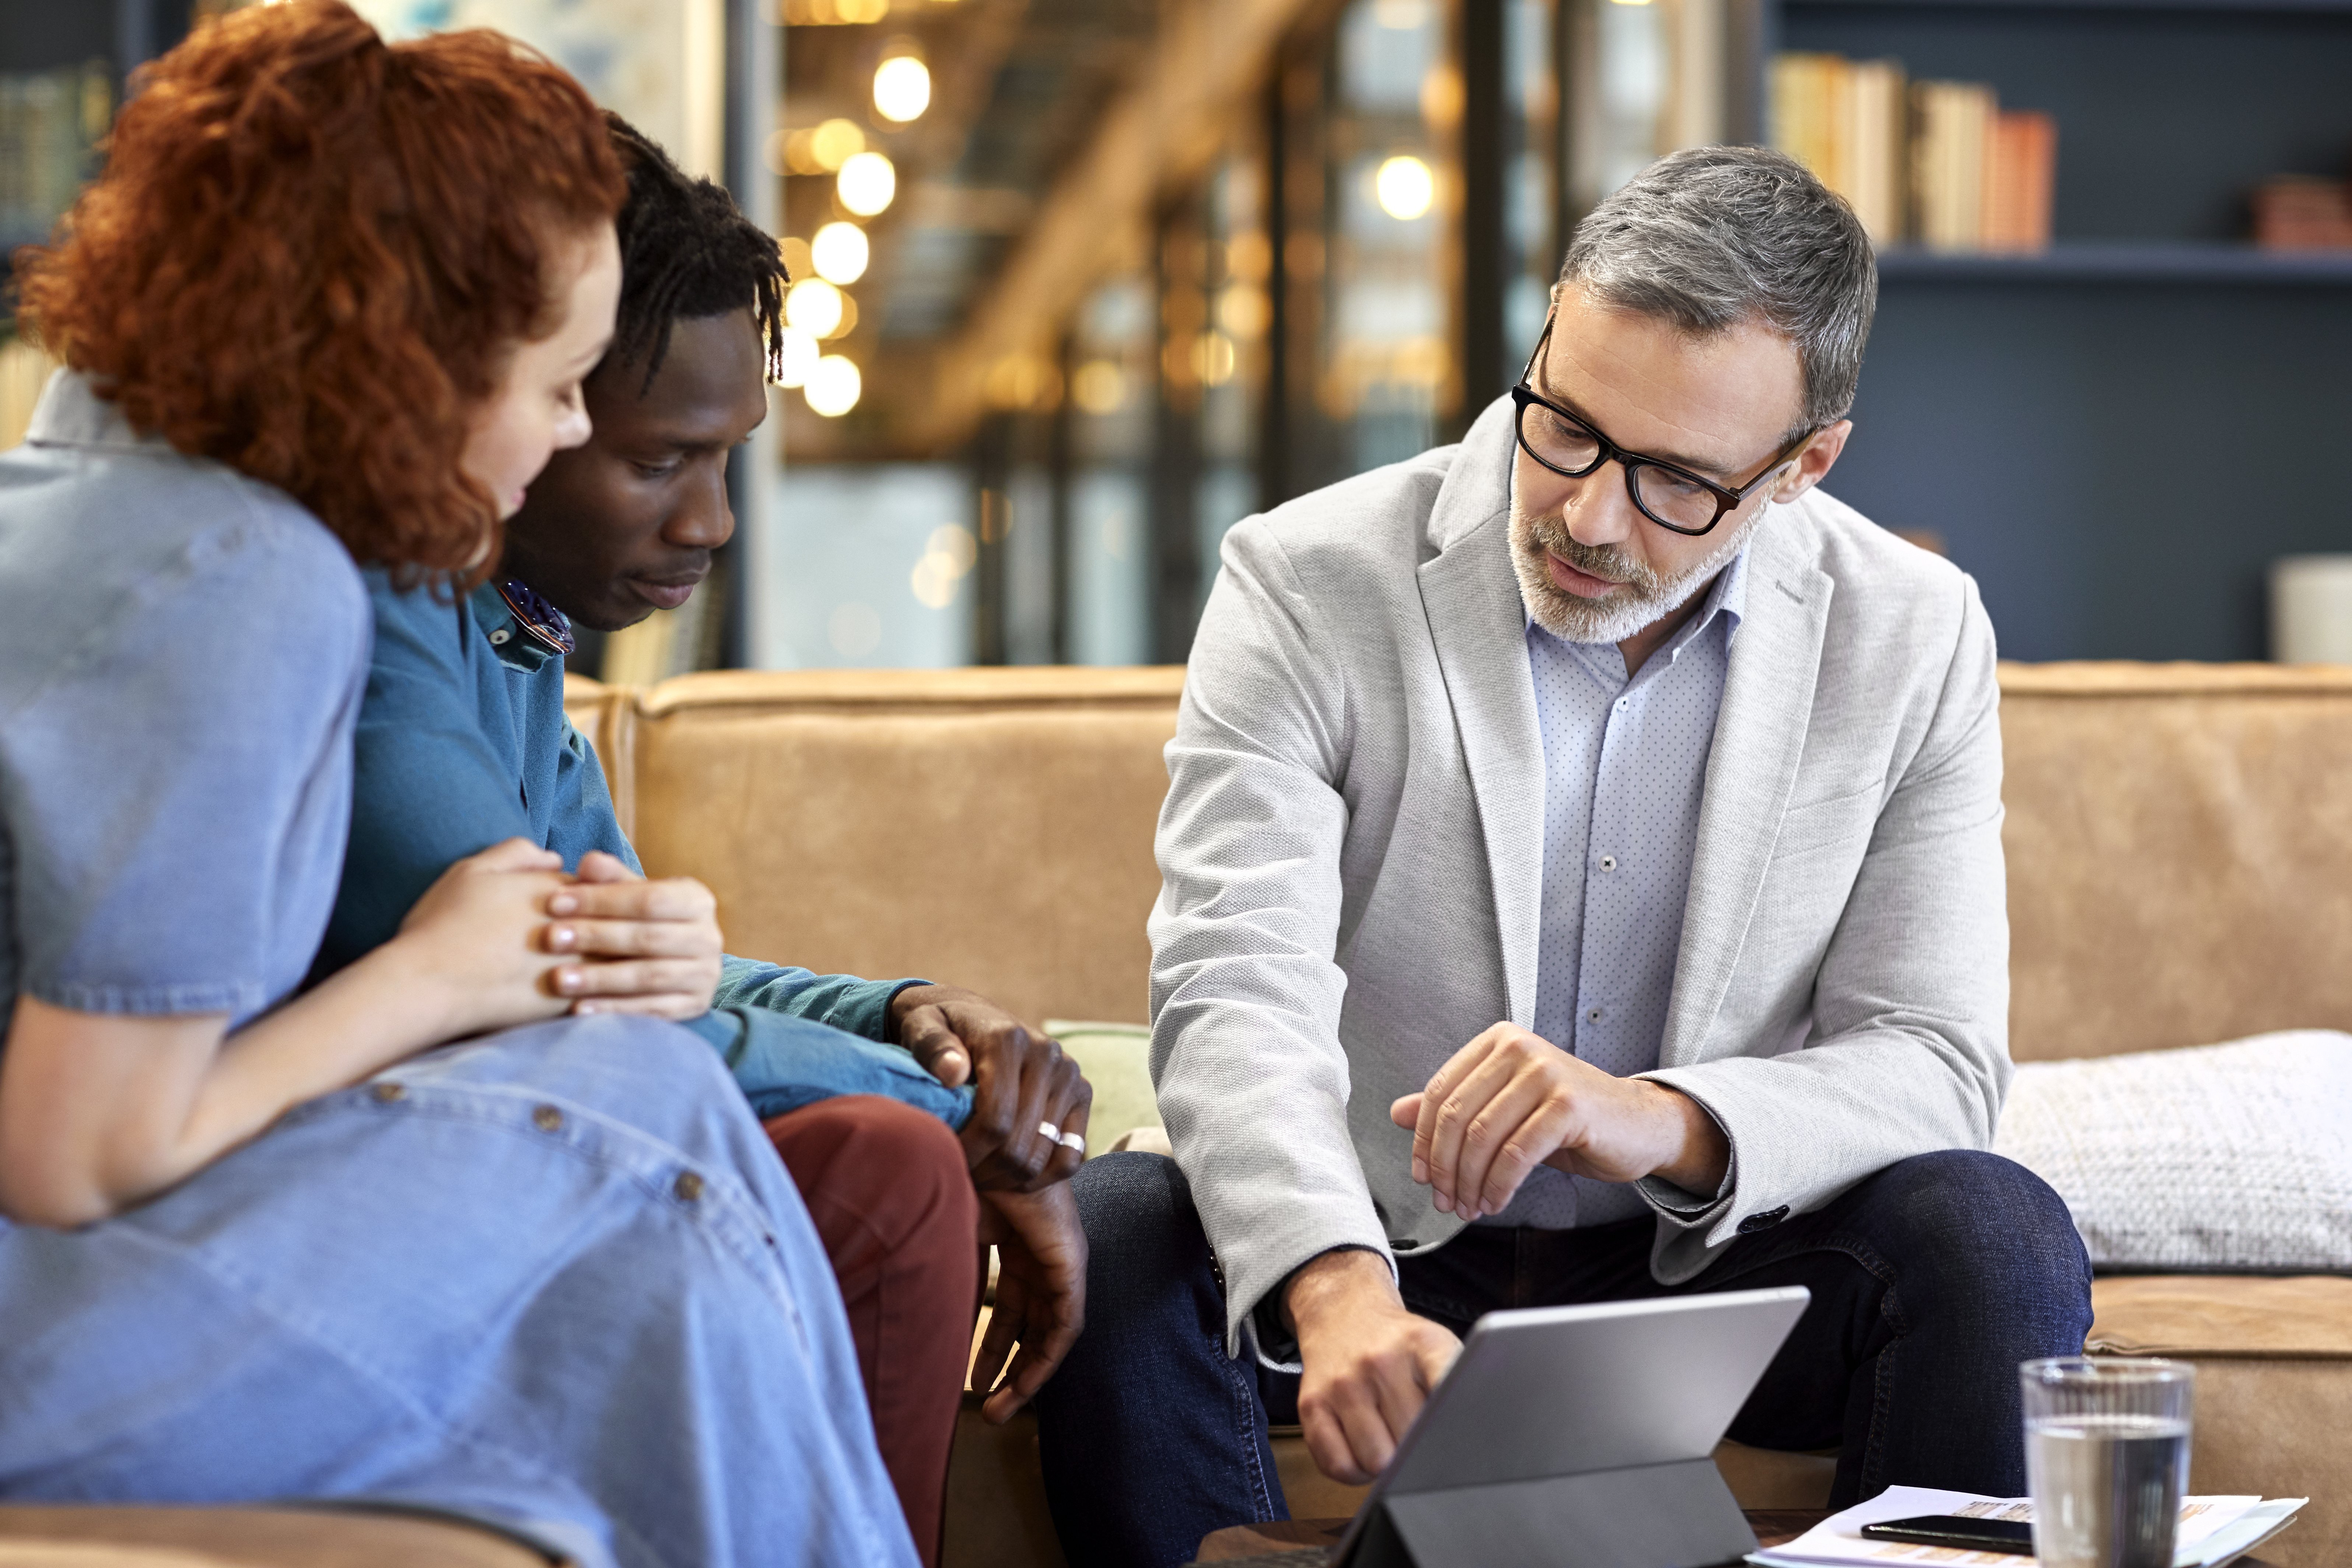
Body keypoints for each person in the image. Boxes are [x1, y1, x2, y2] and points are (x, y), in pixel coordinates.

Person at [1033, 146, 2094, 1568]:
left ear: (1802, 467)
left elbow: (1937, 1055)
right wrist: (1335, 1286)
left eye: (1675, 483)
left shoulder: (1915, 630)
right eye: (1568, 428)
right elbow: (1235, 988)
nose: (1590, 517)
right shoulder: (1304, 581)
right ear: (1544, 342)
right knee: (1120, 1228)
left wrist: (1650, 1116)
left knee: (1995, 1226)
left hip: (1716, 1272)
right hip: (1393, 1247)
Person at [0, 7, 921, 1566]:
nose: (570, 427)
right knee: (653, 1114)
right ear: (414, 354)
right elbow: (75, 1148)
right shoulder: (250, 574)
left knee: (649, 1137)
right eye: (561, 382)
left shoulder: (82, 487)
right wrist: (440, 970)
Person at [313, 116, 1086, 1565]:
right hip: (345, 1204)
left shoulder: (511, 631)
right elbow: (566, 1021)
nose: (717, 519)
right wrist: (966, 1121)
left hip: (476, 1159)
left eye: (731, 456)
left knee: (883, 1142)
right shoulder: (372, 623)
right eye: (658, 454)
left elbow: (654, 984)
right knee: (887, 1166)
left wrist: (907, 1023)